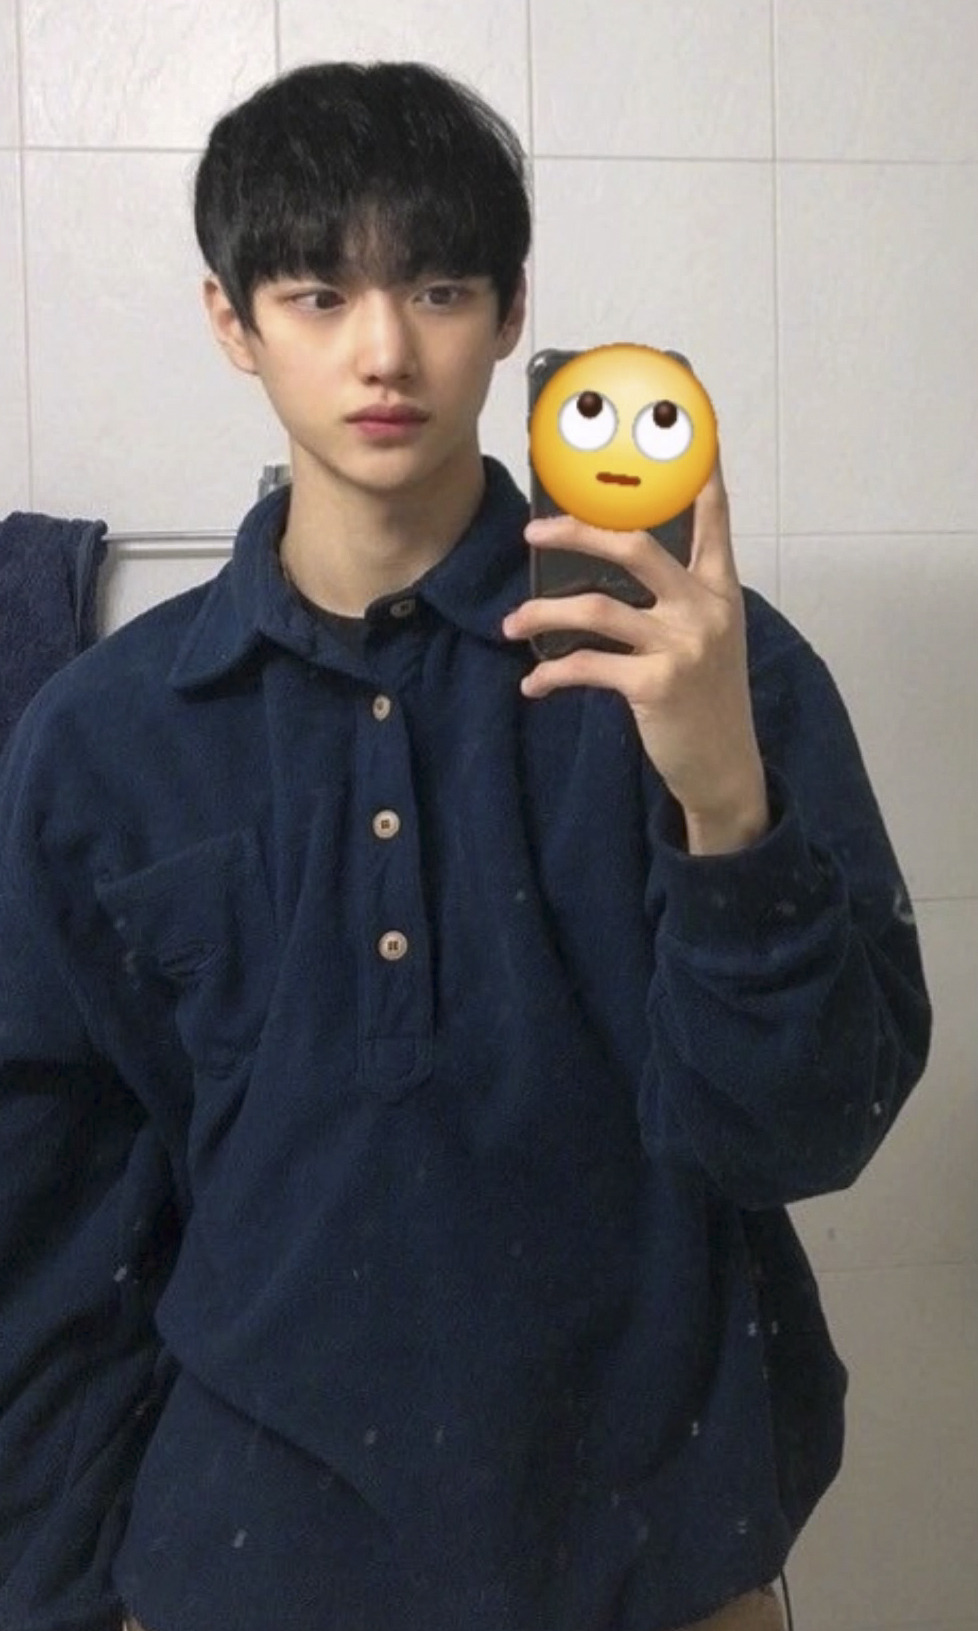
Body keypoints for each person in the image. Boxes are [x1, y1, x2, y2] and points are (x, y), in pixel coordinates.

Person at [0, 60, 931, 1631]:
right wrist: (62, 1591)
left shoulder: (710, 665)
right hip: (241, 1565)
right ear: (232, 321)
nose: (383, 350)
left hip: (665, 1560)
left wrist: (723, 803)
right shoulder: (105, 738)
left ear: (510, 313)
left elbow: (802, 1138)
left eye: (435, 288)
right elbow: (41, 1220)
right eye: (317, 294)